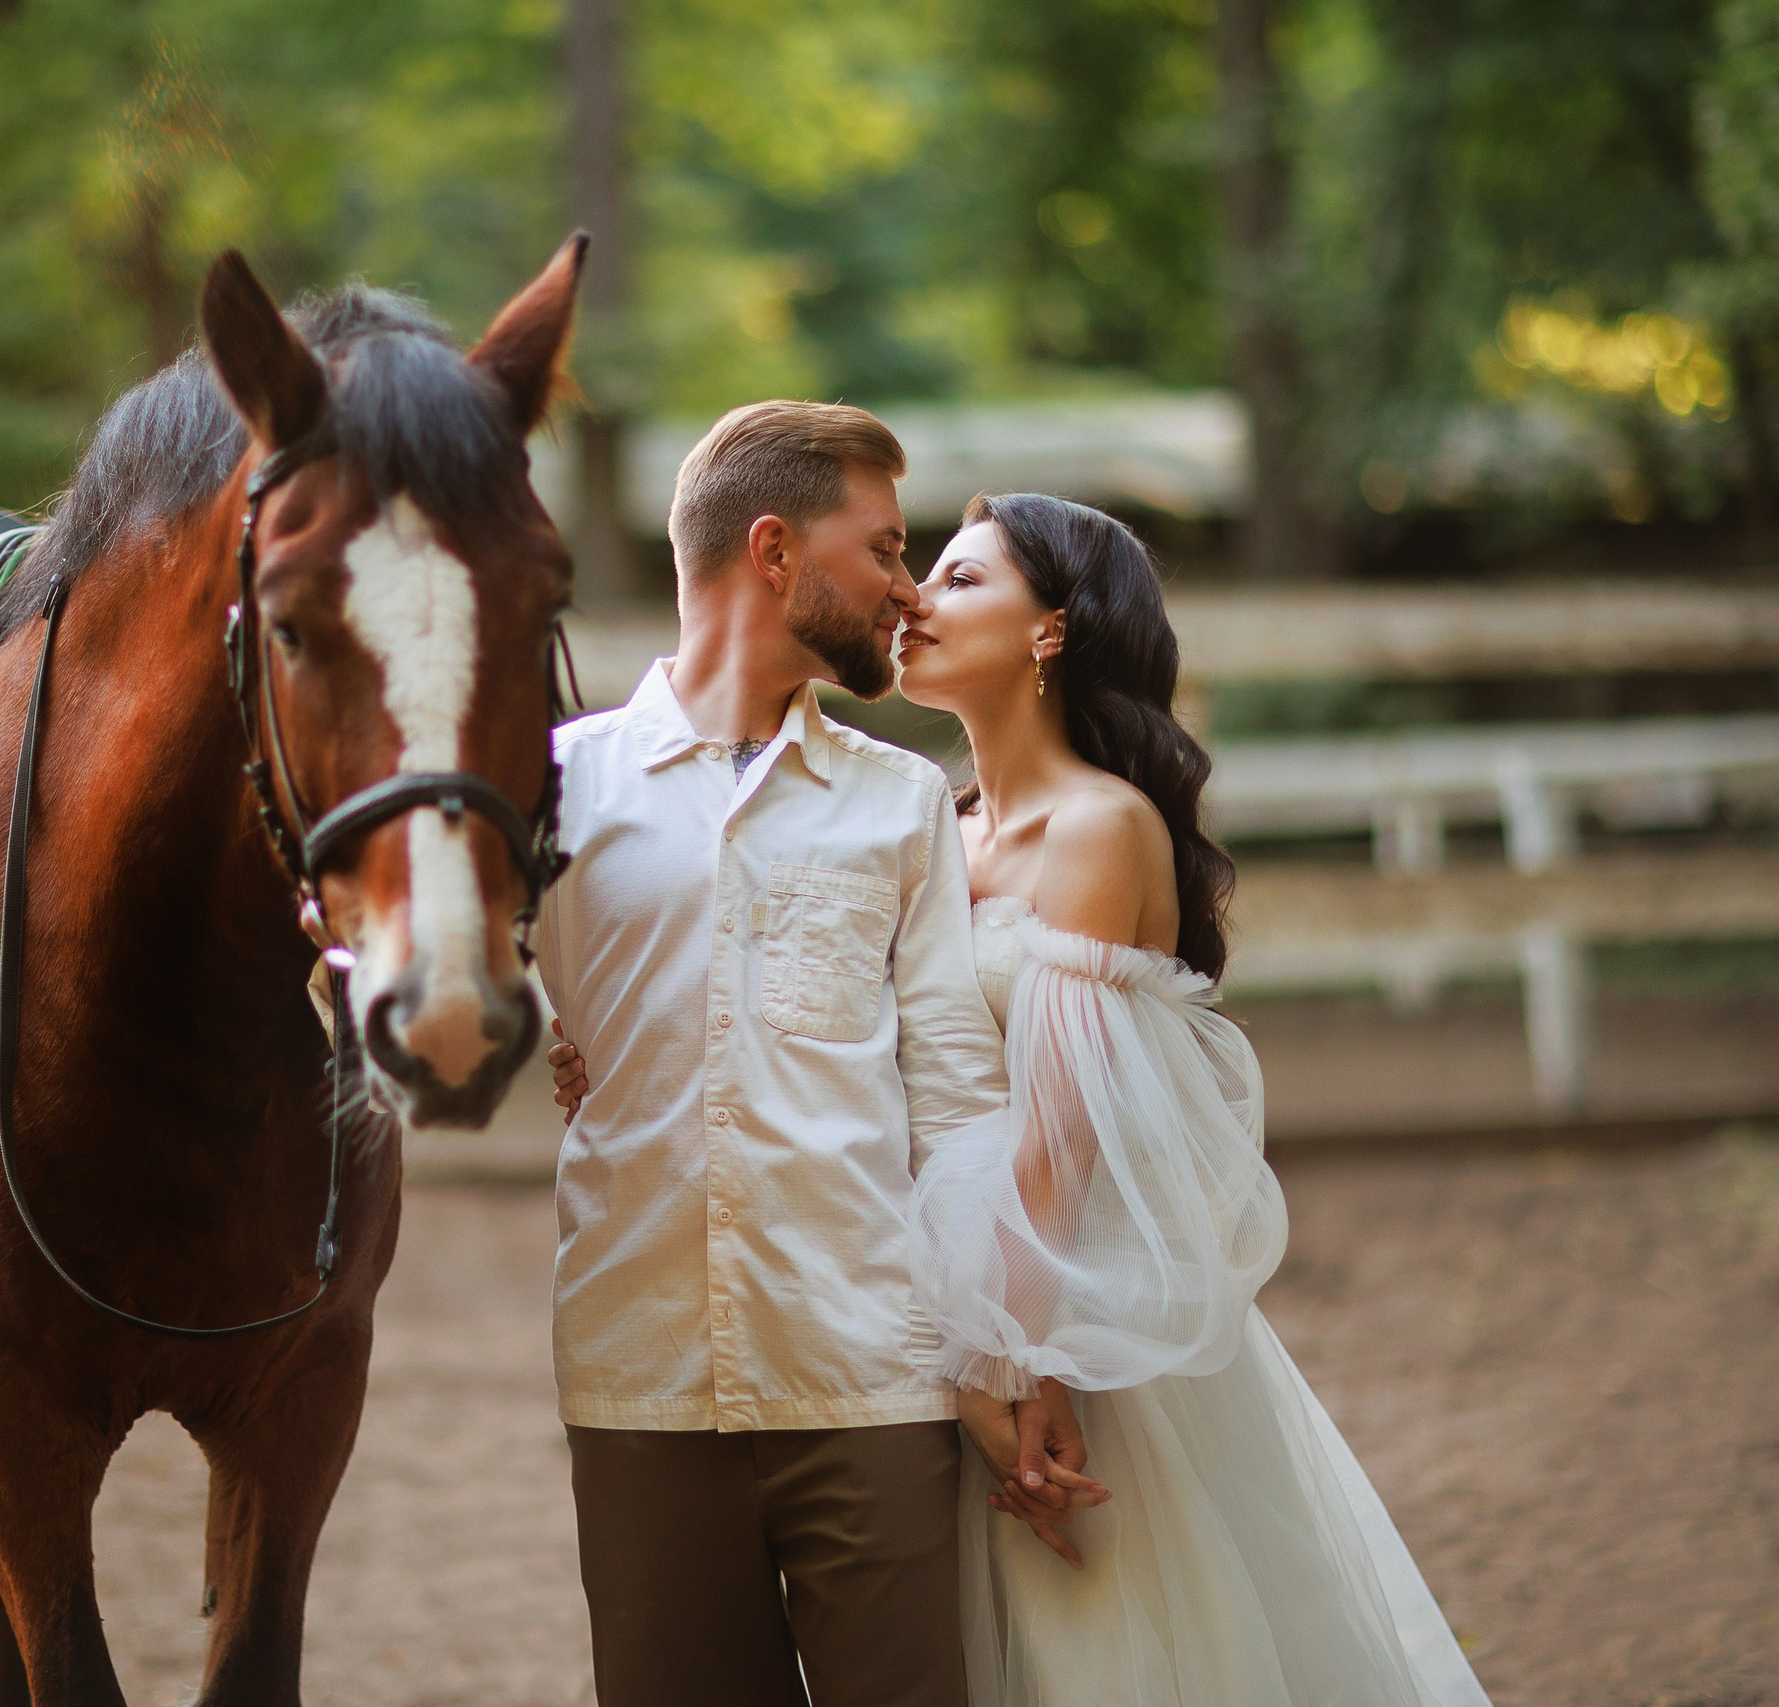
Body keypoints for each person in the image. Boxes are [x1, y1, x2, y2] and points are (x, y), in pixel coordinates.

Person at [554, 490, 1493, 1706]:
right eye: (913, 570)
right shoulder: (934, 823)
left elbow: (1058, 1136)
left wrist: (1012, 1358)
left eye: (954, 578)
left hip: (1059, 1312)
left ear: (1049, 630)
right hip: (933, 1303)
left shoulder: (1100, 829)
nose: (910, 599)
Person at [525, 402, 1091, 1707]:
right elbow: (444, 995)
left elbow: (956, 1098)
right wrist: (548, 1027)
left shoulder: (899, 804)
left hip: (872, 1378)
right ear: (774, 552)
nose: (909, 585)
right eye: (884, 547)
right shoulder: (556, 790)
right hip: (640, 1381)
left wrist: (1010, 1353)